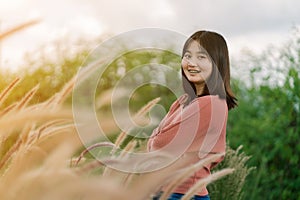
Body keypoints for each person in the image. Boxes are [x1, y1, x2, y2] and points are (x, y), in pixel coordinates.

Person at [147, 30, 237, 200]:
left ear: (217, 63)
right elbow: (154, 147)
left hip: (184, 194)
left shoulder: (212, 103)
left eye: (201, 57)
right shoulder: (183, 102)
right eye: (188, 56)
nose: (191, 63)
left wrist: (157, 136)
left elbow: (160, 142)